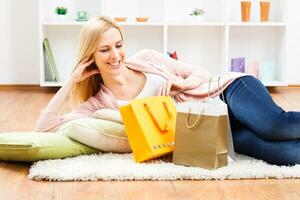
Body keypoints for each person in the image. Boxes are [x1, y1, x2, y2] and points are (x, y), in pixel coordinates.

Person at [34, 16, 300, 166]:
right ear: (90, 55)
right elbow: (43, 130)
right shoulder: (98, 104)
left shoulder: (148, 58)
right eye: (104, 50)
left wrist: (180, 85)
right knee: (284, 154)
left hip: (226, 92)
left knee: (274, 126)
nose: (115, 55)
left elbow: (201, 73)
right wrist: (70, 81)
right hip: (212, 130)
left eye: (118, 45)